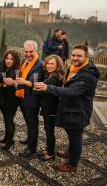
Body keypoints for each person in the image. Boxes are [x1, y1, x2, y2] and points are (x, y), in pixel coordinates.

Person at [34, 44, 100, 172]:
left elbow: (72, 91)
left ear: (86, 57)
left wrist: (48, 87)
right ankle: (70, 152)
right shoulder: (74, 67)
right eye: (73, 55)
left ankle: (72, 164)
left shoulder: (87, 75)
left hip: (78, 111)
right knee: (71, 135)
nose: (75, 58)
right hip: (71, 109)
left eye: (79, 56)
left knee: (76, 137)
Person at [15, 40, 43, 157]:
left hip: (32, 98)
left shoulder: (39, 64)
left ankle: (32, 148)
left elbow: (33, 81)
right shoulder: (24, 60)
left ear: (36, 50)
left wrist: (17, 82)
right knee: (28, 121)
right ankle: (29, 139)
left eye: (31, 51)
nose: (28, 54)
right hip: (23, 96)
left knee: (32, 123)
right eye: (26, 51)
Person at [36, 55, 64, 161]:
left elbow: (43, 87)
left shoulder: (57, 77)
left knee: (49, 130)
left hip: (52, 108)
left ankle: (51, 153)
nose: (49, 65)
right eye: (47, 63)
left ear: (58, 65)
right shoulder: (50, 75)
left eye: (52, 63)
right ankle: (49, 149)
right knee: (48, 129)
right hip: (47, 106)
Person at [0, 50, 21, 151]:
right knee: (6, 119)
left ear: (15, 60)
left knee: (9, 121)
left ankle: (9, 142)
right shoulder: (6, 68)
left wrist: (14, 83)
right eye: (7, 58)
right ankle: (6, 138)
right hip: (5, 98)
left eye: (11, 59)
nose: (8, 60)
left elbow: (18, 85)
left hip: (12, 100)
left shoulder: (16, 71)